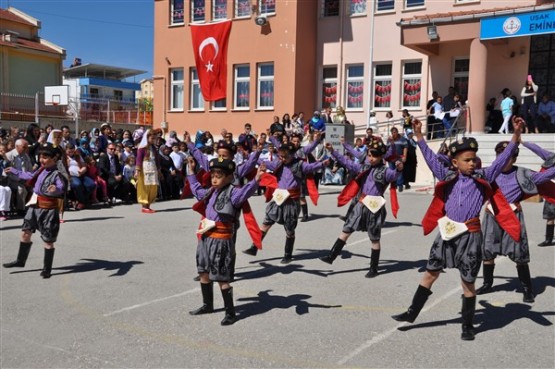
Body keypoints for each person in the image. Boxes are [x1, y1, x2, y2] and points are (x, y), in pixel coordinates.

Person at [391, 117, 524, 341]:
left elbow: (502, 161)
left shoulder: (484, 177)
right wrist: (420, 137)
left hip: (470, 237)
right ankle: (412, 312)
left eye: (474, 159)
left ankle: (467, 326)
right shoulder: (448, 176)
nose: (472, 163)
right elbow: (432, 161)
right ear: (455, 163)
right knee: (430, 273)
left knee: (468, 282)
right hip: (447, 233)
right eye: (467, 160)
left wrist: (516, 136)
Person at [187, 156, 265, 326]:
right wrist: (192, 171)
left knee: (222, 277)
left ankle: (230, 312)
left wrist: (257, 179)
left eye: (219, 175)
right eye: (213, 175)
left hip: (221, 241)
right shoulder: (210, 191)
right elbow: (196, 190)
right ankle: (207, 305)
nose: (214, 179)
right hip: (206, 237)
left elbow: (246, 192)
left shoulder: (234, 193)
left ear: (229, 177)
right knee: (203, 271)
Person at [475, 140, 555, 303]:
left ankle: (527, 289)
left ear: (515, 159)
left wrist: (525, 143)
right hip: (492, 215)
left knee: (520, 253)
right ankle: (487, 283)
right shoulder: (488, 173)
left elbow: (548, 172)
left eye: (509, 157)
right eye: (500, 155)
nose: (504, 160)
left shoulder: (524, 174)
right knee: (487, 250)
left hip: (512, 215)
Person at [319, 139, 402, 277]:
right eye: (369, 155)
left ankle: (373, 268)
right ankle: (331, 256)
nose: (371, 158)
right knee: (346, 229)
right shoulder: (364, 167)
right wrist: (333, 151)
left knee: (374, 239)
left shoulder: (385, 171)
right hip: (361, 203)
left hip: (375, 208)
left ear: (381, 156)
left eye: (374, 156)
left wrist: (399, 168)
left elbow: (394, 176)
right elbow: (348, 163)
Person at [242, 143, 327, 263]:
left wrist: (322, 164)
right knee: (267, 222)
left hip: (292, 200)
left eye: (284, 157)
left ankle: (288, 254)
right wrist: (254, 156)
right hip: (278, 198)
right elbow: (265, 163)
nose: (282, 159)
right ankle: (254, 247)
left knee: (290, 228)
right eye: (280, 156)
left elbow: (311, 168)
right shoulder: (278, 163)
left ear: (292, 155)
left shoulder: (299, 164)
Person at [3, 143, 67, 278]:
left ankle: (47, 269)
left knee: (48, 240)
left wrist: (56, 189)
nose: (41, 160)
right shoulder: (41, 169)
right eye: (40, 156)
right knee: (25, 233)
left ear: (55, 158)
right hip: (34, 206)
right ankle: (20, 261)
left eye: (45, 157)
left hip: (48, 210)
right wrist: (15, 171)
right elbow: (29, 176)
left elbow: (63, 188)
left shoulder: (57, 173)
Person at [522, 141, 555, 247]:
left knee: (550, 218)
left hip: (551, 193)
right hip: (551, 194)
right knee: (550, 218)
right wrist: (523, 142)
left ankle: (548, 240)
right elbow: (537, 149)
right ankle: (548, 239)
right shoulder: (550, 156)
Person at [135, 129, 162, 213]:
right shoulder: (142, 148)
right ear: (147, 138)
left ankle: (148, 204)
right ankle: (144, 205)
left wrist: (158, 169)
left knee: (152, 187)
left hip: (153, 168)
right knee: (145, 187)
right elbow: (139, 159)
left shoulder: (154, 148)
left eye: (154, 138)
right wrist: (137, 170)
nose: (153, 140)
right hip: (144, 169)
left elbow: (157, 159)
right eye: (152, 138)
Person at [5, 138, 33, 214]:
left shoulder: (26, 156)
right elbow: (7, 172)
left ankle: (32, 208)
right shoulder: (9, 156)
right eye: (24, 147)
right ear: (17, 146)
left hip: (24, 179)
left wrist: (28, 180)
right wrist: (19, 180)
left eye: (27, 147)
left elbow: (30, 170)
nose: (26, 149)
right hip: (12, 180)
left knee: (35, 188)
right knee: (21, 189)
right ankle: (20, 209)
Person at [387, 127, 408, 192]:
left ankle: (400, 185)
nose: (394, 134)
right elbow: (387, 148)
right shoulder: (389, 140)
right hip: (391, 159)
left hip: (399, 158)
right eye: (392, 132)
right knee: (392, 171)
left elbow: (405, 148)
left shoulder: (402, 139)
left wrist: (404, 156)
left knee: (399, 171)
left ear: (397, 132)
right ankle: (393, 185)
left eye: (395, 132)